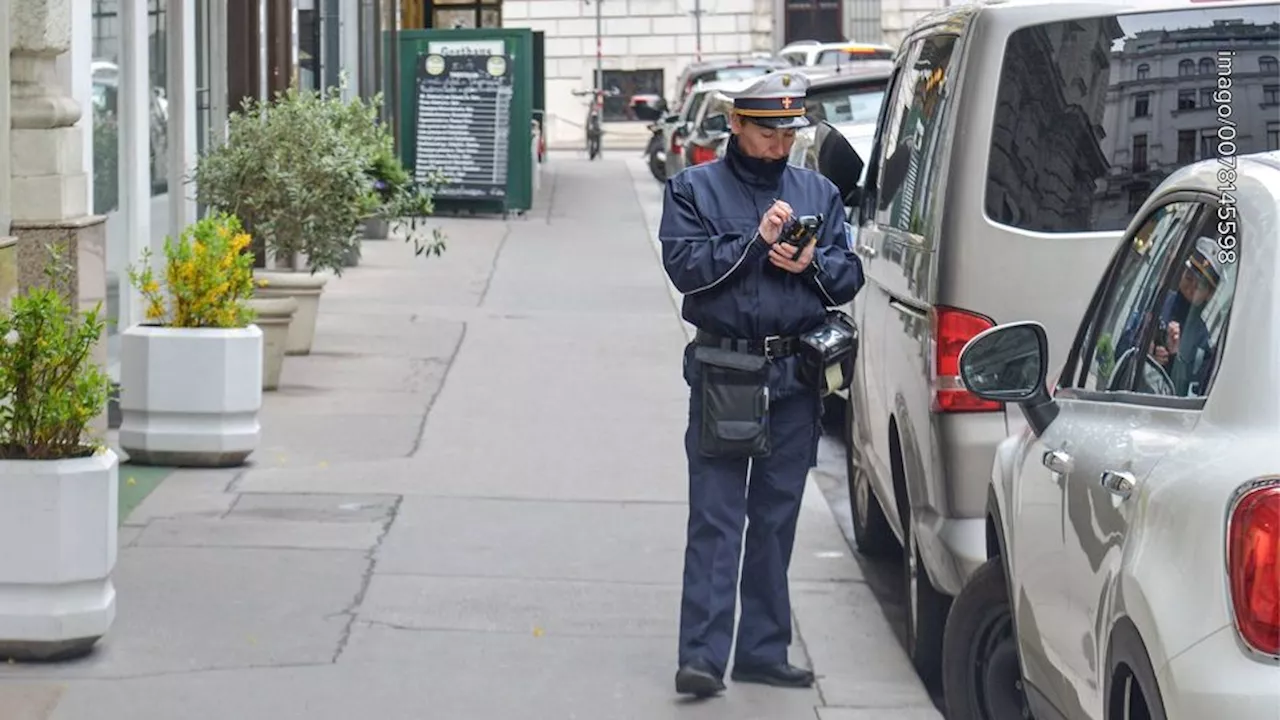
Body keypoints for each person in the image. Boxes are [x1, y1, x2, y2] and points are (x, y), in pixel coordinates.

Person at [657, 71, 865, 698]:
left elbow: (848, 275)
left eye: (788, 131)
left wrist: (810, 263)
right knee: (717, 520)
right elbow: (684, 267)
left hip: (796, 376)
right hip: (726, 372)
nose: (780, 142)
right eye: (768, 131)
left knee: (776, 520)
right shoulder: (694, 188)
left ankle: (761, 650)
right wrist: (754, 244)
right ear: (737, 126)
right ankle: (700, 656)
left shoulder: (818, 191)